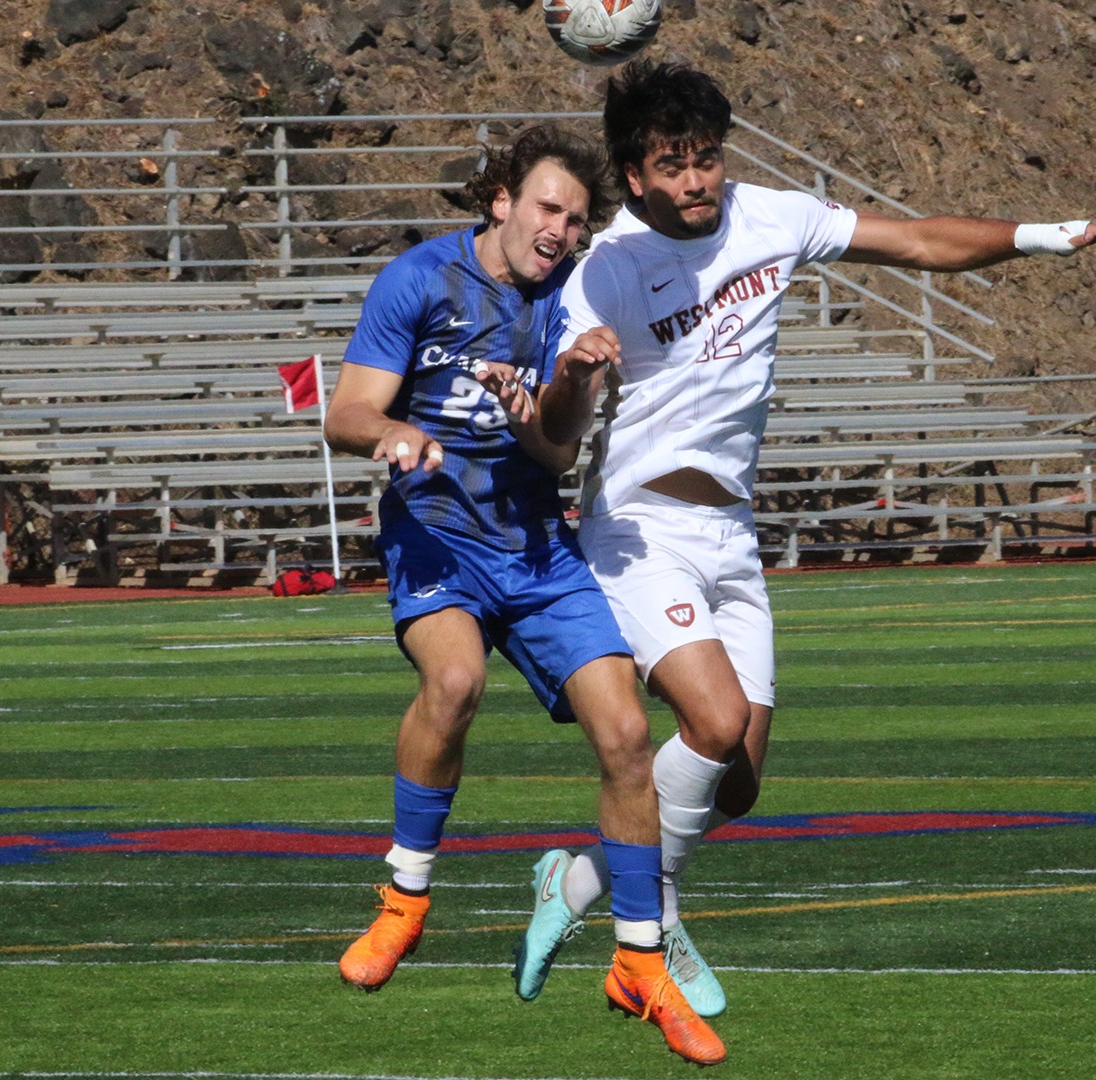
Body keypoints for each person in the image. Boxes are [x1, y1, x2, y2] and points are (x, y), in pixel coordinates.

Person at [513, 61, 1096, 1017]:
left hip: (730, 530)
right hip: (638, 529)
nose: (695, 181)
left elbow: (920, 240)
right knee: (711, 724)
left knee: (740, 783)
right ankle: (654, 918)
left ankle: (579, 883)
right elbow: (557, 432)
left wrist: (1045, 236)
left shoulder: (776, 217)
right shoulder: (609, 266)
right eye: (671, 166)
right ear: (633, 178)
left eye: (707, 159)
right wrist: (576, 374)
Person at [322, 123, 725, 1067]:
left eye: (578, 220)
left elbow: (553, 452)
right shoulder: (419, 279)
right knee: (455, 684)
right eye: (549, 207)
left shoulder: (570, 302)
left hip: (540, 549)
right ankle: (404, 898)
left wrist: (565, 386)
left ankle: (638, 961)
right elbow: (345, 411)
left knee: (627, 736)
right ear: (501, 200)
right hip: (438, 537)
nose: (562, 230)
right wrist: (395, 435)